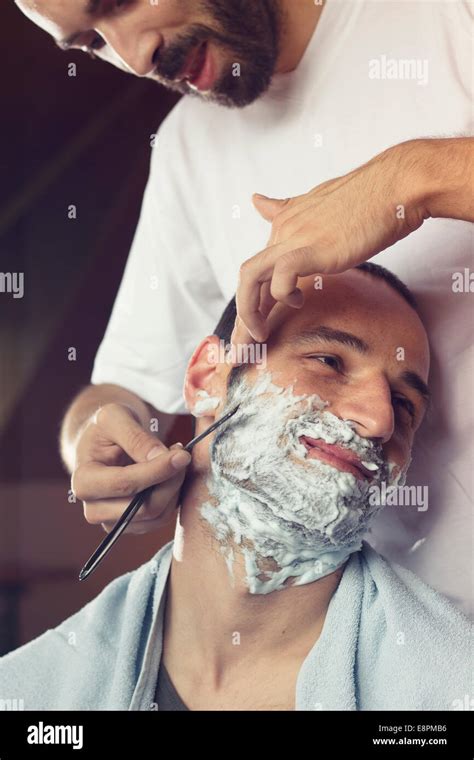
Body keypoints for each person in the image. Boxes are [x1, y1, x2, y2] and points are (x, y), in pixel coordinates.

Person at [14, 0, 474, 612]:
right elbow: (122, 394)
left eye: (119, 1)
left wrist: (410, 180)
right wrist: (103, 443)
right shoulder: (188, 146)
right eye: (91, 44)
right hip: (395, 641)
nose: (133, 55)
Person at [0, 264, 469, 711]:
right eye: (328, 360)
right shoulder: (26, 692)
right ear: (208, 378)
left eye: (405, 405)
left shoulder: (451, 687)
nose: (379, 420)